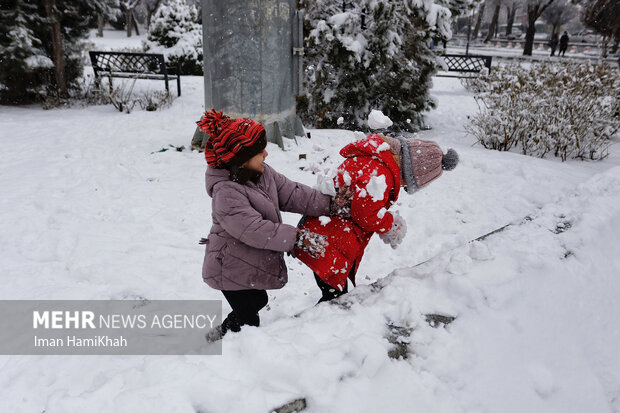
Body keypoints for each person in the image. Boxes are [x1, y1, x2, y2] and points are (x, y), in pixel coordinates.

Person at [197, 109, 342, 341]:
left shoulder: (263, 174)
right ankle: (227, 347)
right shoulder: (226, 193)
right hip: (228, 267)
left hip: (244, 261)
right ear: (240, 160)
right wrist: (296, 238)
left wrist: (331, 204)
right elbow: (255, 230)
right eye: (259, 151)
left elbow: (294, 194)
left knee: (258, 301)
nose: (266, 153)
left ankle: (220, 336)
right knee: (248, 320)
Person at [294, 134, 459, 303]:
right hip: (327, 240)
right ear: (410, 171)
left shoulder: (376, 159)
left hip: (325, 233)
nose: (402, 186)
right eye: (406, 183)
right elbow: (365, 213)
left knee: (335, 294)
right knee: (333, 299)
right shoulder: (381, 171)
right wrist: (389, 225)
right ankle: (316, 326)